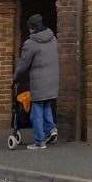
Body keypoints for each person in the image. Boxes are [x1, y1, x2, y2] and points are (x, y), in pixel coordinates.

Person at [13, 14, 59, 150]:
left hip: (39, 82)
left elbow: (23, 65)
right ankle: (51, 129)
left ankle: (39, 142)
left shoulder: (31, 43)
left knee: (37, 109)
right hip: (53, 79)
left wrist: (15, 77)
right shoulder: (53, 38)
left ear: (32, 28)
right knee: (46, 104)